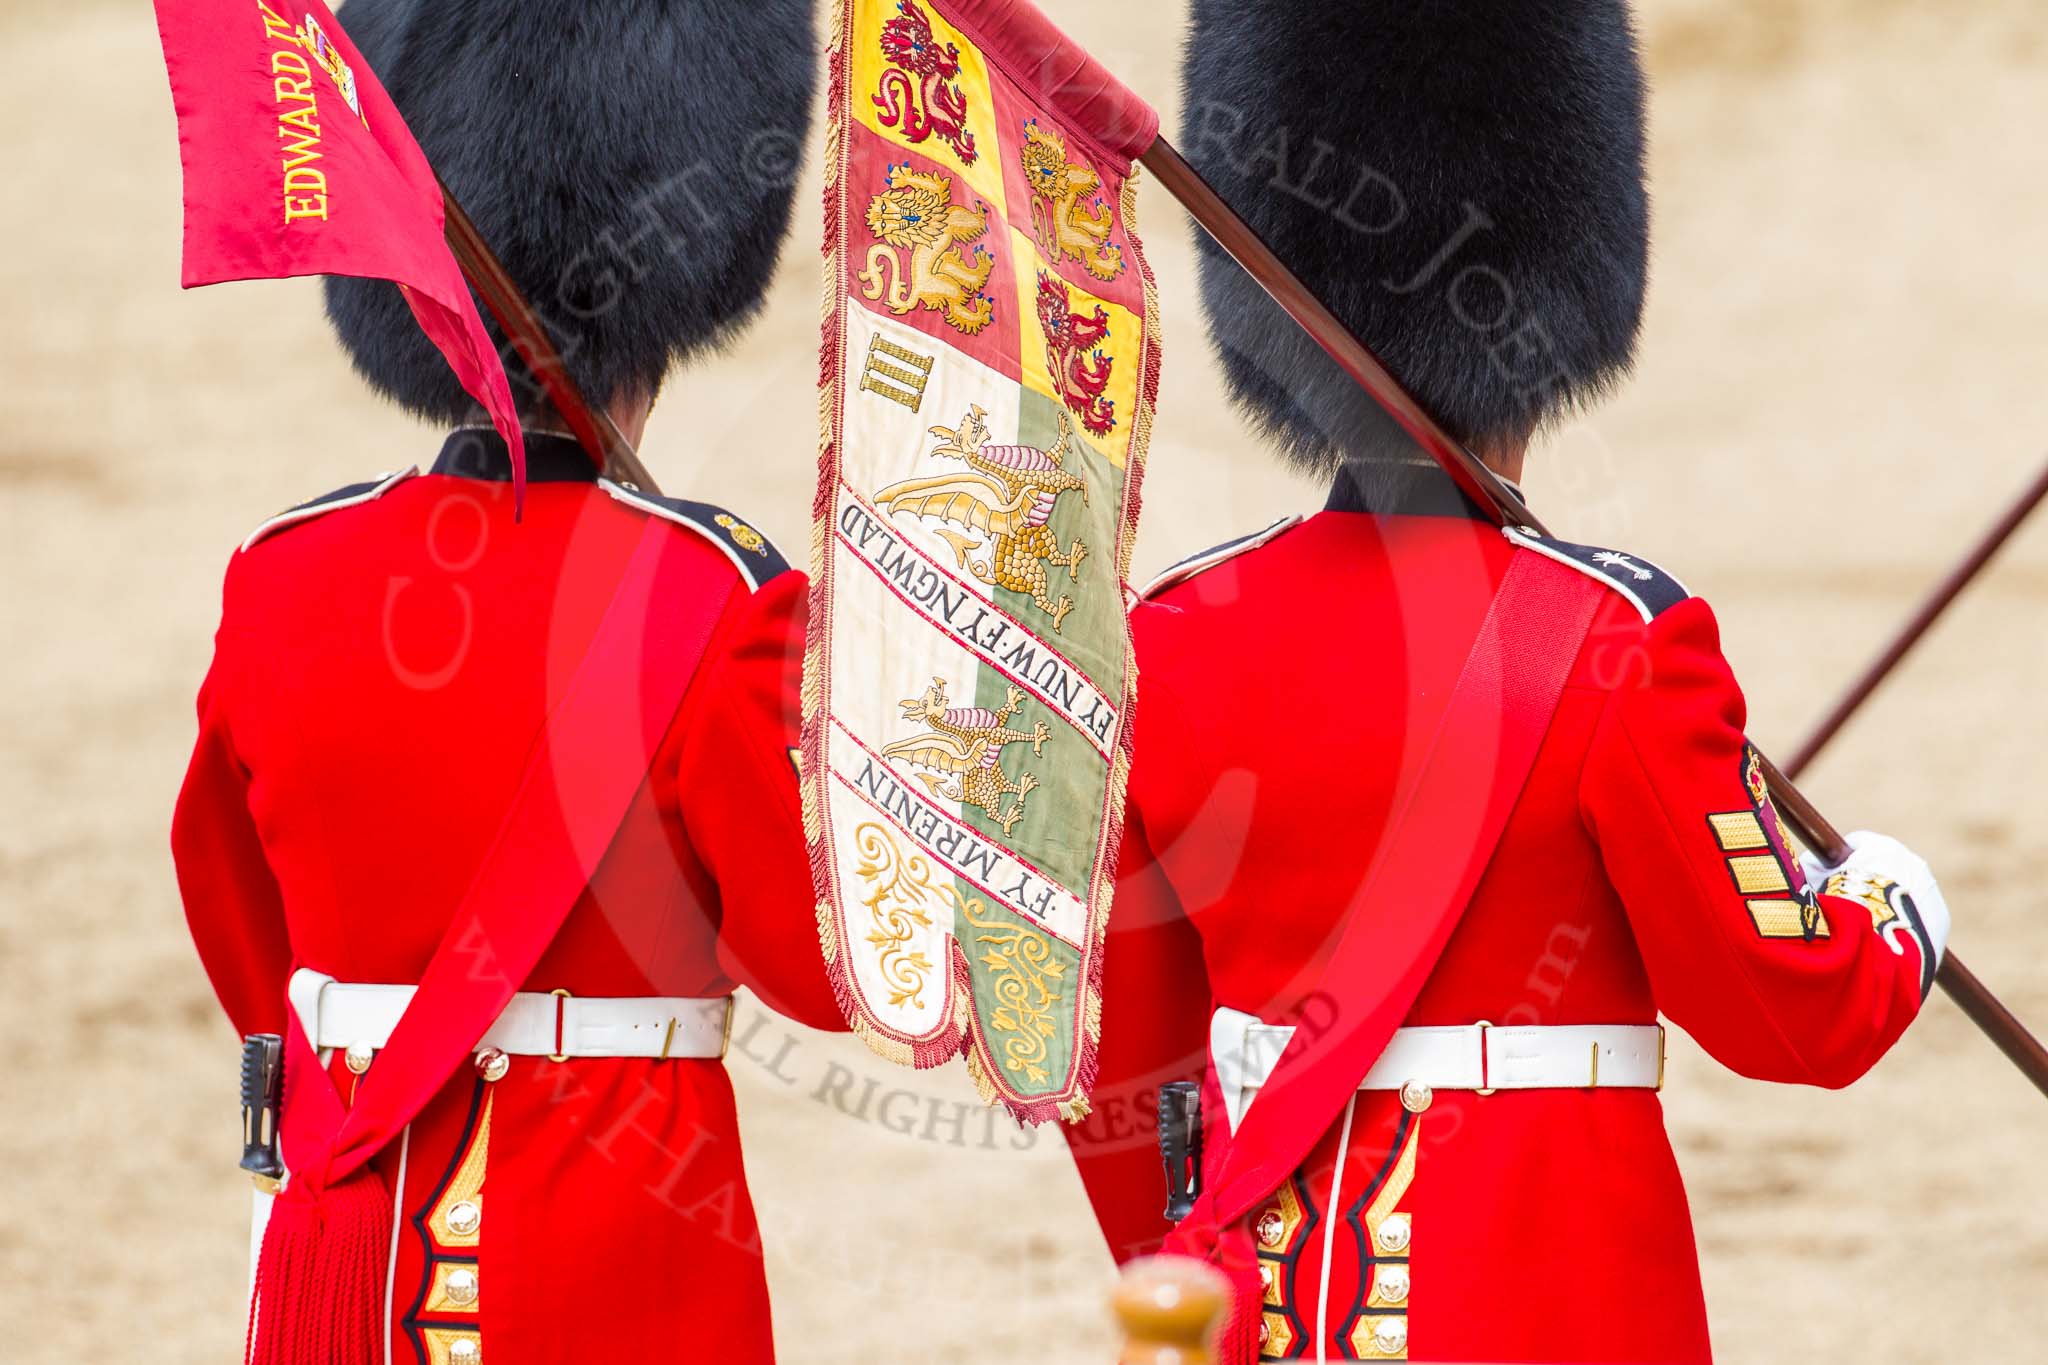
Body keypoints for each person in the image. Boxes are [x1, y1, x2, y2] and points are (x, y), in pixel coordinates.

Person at [1063, 3, 1951, 1361]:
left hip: (1269, 1296)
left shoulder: (1175, 638)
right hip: (1552, 1291)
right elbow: (1790, 1008)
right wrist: (1892, 902)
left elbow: (1116, 1057)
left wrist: (1185, 1258)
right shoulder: (1619, 640)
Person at [169, 2, 837, 1361]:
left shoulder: (282, 575)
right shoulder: (719, 598)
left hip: (347, 1214)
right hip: (615, 1243)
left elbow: (237, 915)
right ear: (680, 295)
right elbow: (816, 966)